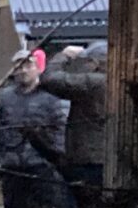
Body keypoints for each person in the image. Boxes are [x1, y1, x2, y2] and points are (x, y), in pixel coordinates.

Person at [0, 47, 75, 208]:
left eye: (28, 65)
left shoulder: (51, 97)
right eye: (19, 67)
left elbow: (60, 131)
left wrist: (61, 162)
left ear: (38, 68)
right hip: (11, 167)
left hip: (42, 167)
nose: (23, 70)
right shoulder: (3, 97)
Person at [40, 41, 109, 195]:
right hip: (107, 157)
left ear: (94, 63)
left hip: (87, 159)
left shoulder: (94, 82)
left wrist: (63, 56)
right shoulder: (116, 81)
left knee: (86, 205)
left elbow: (50, 79)